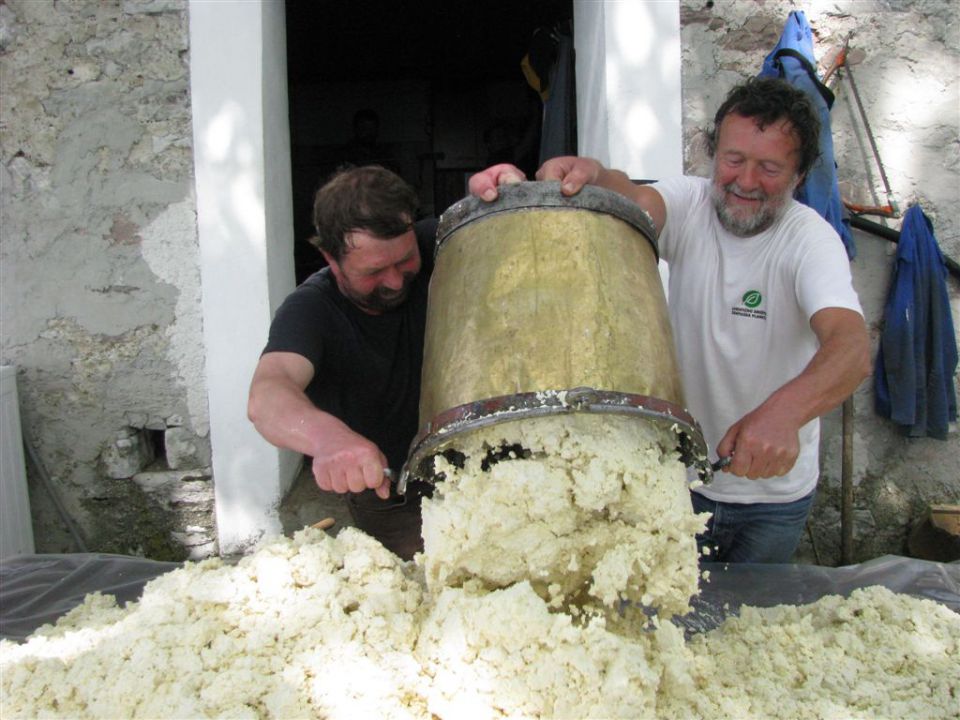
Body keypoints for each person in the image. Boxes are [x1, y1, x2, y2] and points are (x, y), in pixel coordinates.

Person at [469, 77, 872, 564]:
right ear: (714, 154)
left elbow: (850, 347)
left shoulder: (811, 241)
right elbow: (630, 205)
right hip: (677, 481)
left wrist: (785, 413)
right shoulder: (690, 202)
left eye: (769, 168)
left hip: (772, 496)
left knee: (754, 627)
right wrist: (592, 173)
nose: (745, 181)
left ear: (798, 175)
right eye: (733, 160)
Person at [248, 165, 437, 560]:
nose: (396, 282)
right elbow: (269, 393)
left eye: (405, 261)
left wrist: (498, 186)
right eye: (374, 272)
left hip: (476, 464)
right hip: (388, 489)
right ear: (331, 259)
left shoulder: (440, 241)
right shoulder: (310, 310)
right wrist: (329, 440)